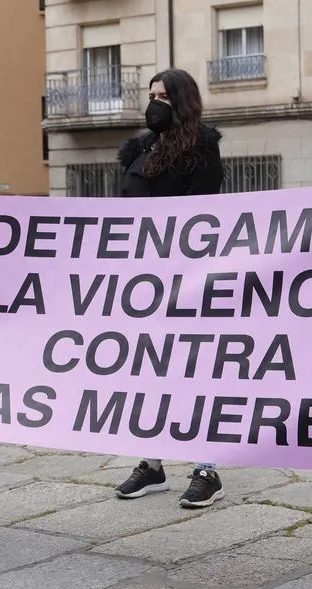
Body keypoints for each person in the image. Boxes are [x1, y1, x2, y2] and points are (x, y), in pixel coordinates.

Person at [113, 68, 225, 508]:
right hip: (142, 280)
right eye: (151, 95)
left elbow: (206, 219)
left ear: (182, 102)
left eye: (164, 96)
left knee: (195, 373)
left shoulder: (202, 150)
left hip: (187, 279)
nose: (155, 103)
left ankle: (206, 468)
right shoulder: (140, 151)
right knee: (149, 373)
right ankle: (152, 463)